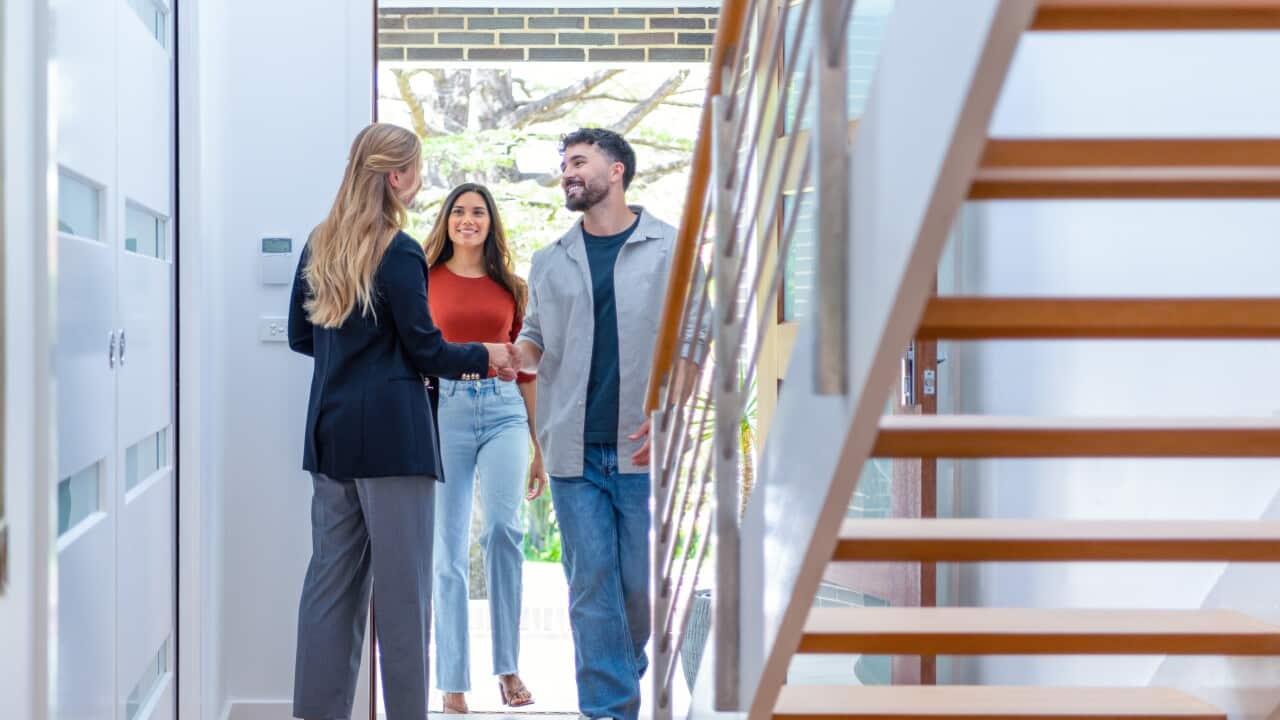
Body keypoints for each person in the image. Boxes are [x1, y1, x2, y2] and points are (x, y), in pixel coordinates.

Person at [287, 123, 518, 720]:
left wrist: (359, 360)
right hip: (394, 444)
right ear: (396, 177)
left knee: (328, 594)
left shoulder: (320, 241)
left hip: (330, 438)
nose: (418, 183)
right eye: (415, 171)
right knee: (404, 602)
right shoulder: (399, 249)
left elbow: (299, 336)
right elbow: (426, 349)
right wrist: (486, 359)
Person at [513, 128, 707, 720]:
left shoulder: (672, 249)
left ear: (616, 170)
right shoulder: (550, 259)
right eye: (563, 164)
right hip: (572, 449)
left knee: (638, 590)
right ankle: (609, 709)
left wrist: (671, 414)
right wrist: (503, 355)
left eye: (579, 161)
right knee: (592, 588)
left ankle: (619, 672)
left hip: (640, 448)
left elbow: (694, 338)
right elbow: (535, 341)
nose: (567, 172)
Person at [422, 183, 543, 713]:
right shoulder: (421, 280)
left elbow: (527, 369)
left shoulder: (511, 288)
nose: (467, 220)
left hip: (503, 410)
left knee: (503, 530)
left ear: (491, 224)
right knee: (446, 552)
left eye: (478, 213)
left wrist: (537, 443)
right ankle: (452, 681)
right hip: (443, 410)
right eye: (458, 211)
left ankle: (508, 666)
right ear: (446, 220)